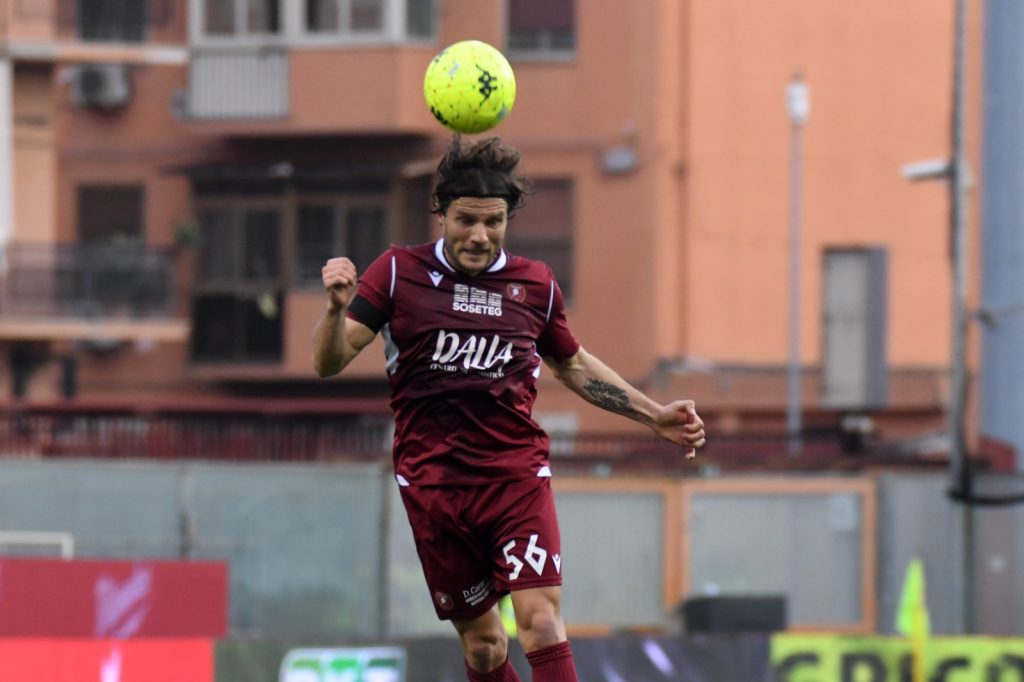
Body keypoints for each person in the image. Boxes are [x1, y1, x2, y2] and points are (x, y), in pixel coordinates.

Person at [313, 136, 706, 681]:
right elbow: (328, 362)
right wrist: (336, 310)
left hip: (514, 477)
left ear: (507, 220)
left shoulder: (535, 285)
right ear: (441, 214)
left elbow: (573, 365)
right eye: (466, 220)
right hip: (434, 486)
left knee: (540, 621)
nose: (479, 235)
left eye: (493, 221)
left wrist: (653, 414)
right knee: (484, 647)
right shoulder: (398, 273)